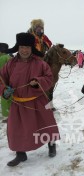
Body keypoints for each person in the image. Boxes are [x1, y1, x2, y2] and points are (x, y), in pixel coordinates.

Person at [1, 33, 60, 167]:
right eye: (22, 47)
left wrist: (38, 81)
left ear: (31, 48)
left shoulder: (40, 63)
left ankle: (52, 145)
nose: (25, 50)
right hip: (18, 103)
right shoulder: (10, 64)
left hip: (38, 101)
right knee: (15, 129)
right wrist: (4, 90)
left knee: (46, 124)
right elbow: (1, 80)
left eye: (27, 47)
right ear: (18, 47)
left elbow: (49, 78)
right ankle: (20, 154)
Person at [0, 43, 11, 123]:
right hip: (11, 81)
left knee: (4, 98)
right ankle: (12, 113)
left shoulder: (1, 58)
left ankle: (7, 116)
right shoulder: (10, 57)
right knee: (10, 97)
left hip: (3, 82)